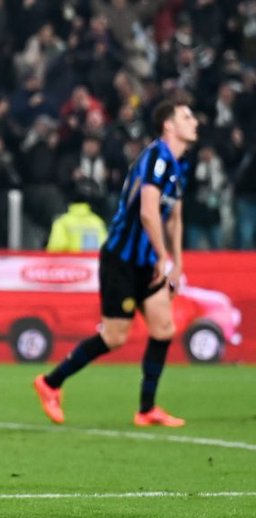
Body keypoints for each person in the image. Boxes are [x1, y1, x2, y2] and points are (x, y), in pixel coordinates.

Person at [33, 97, 197, 428]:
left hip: (148, 261)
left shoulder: (179, 165)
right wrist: (163, 257)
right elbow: (148, 211)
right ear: (169, 125)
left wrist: (177, 263)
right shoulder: (156, 157)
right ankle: (51, 382)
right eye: (186, 116)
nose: (194, 121)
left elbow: (175, 217)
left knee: (163, 328)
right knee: (115, 337)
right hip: (121, 260)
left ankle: (146, 409)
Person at [46, 180, 108, 253]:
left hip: (70, 260)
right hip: (93, 260)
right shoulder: (97, 222)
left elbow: (56, 248)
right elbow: (105, 247)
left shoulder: (62, 222)